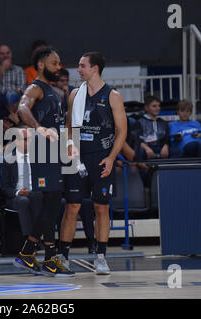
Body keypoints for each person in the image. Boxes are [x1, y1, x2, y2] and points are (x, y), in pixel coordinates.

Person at [60, 52, 127, 275]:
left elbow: (121, 131)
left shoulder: (113, 96)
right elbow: (68, 126)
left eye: (82, 66)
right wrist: (69, 143)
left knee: (101, 207)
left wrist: (111, 158)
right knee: (71, 207)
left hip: (101, 158)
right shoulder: (74, 94)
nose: (78, 70)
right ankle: (63, 256)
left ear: (95, 68)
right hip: (77, 158)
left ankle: (100, 257)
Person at [15, 46, 72, 277]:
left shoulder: (52, 91)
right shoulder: (35, 87)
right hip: (42, 151)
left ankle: (40, 256)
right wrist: (38, 127)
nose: (59, 67)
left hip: (53, 152)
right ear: (40, 65)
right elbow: (21, 108)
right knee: (51, 204)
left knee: (52, 205)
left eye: (59, 63)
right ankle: (32, 254)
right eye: (54, 63)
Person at [1, 125, 43, 239]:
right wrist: (18, 192)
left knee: (37, 197)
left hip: (36, 193)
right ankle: (29, 239)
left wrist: (35, 191)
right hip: (16, 197)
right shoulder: (8, 160)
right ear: (16, 142)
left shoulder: (39, 158)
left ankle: (39, 237)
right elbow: (4, 187)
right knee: (23, 201)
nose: (29, 142)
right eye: (25, 139)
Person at [0, 44, 26, 132]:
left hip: (14, 98)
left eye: (8, 53)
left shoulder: (18, 69)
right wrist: (2, 69)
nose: (5, 56)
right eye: (2, 54)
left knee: (11, 96)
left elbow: (21, 88)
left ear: (11, 54)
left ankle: (11, 123)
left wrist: (12, 96)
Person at [137, 96, 170, 160]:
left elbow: (167, 137)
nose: (158, 108)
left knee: (176, 151)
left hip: (160, 146)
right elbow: (137, 139)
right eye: (154, 106)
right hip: (146, 147)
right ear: (146, 108)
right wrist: (147, 148)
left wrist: (165, 146)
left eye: (159, 106)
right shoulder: (139, 122)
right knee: (140, 152)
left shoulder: (163, 122)